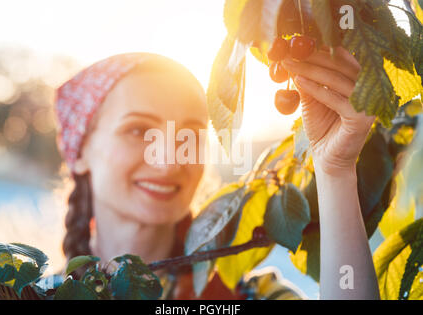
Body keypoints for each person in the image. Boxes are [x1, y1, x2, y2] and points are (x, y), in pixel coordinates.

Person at [54, 48, 379, 300]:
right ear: (80, 151)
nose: (169, 161)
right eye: (139, 131)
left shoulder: (249, 295)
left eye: (189, 135)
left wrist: (334, 171)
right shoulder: (25, 291)